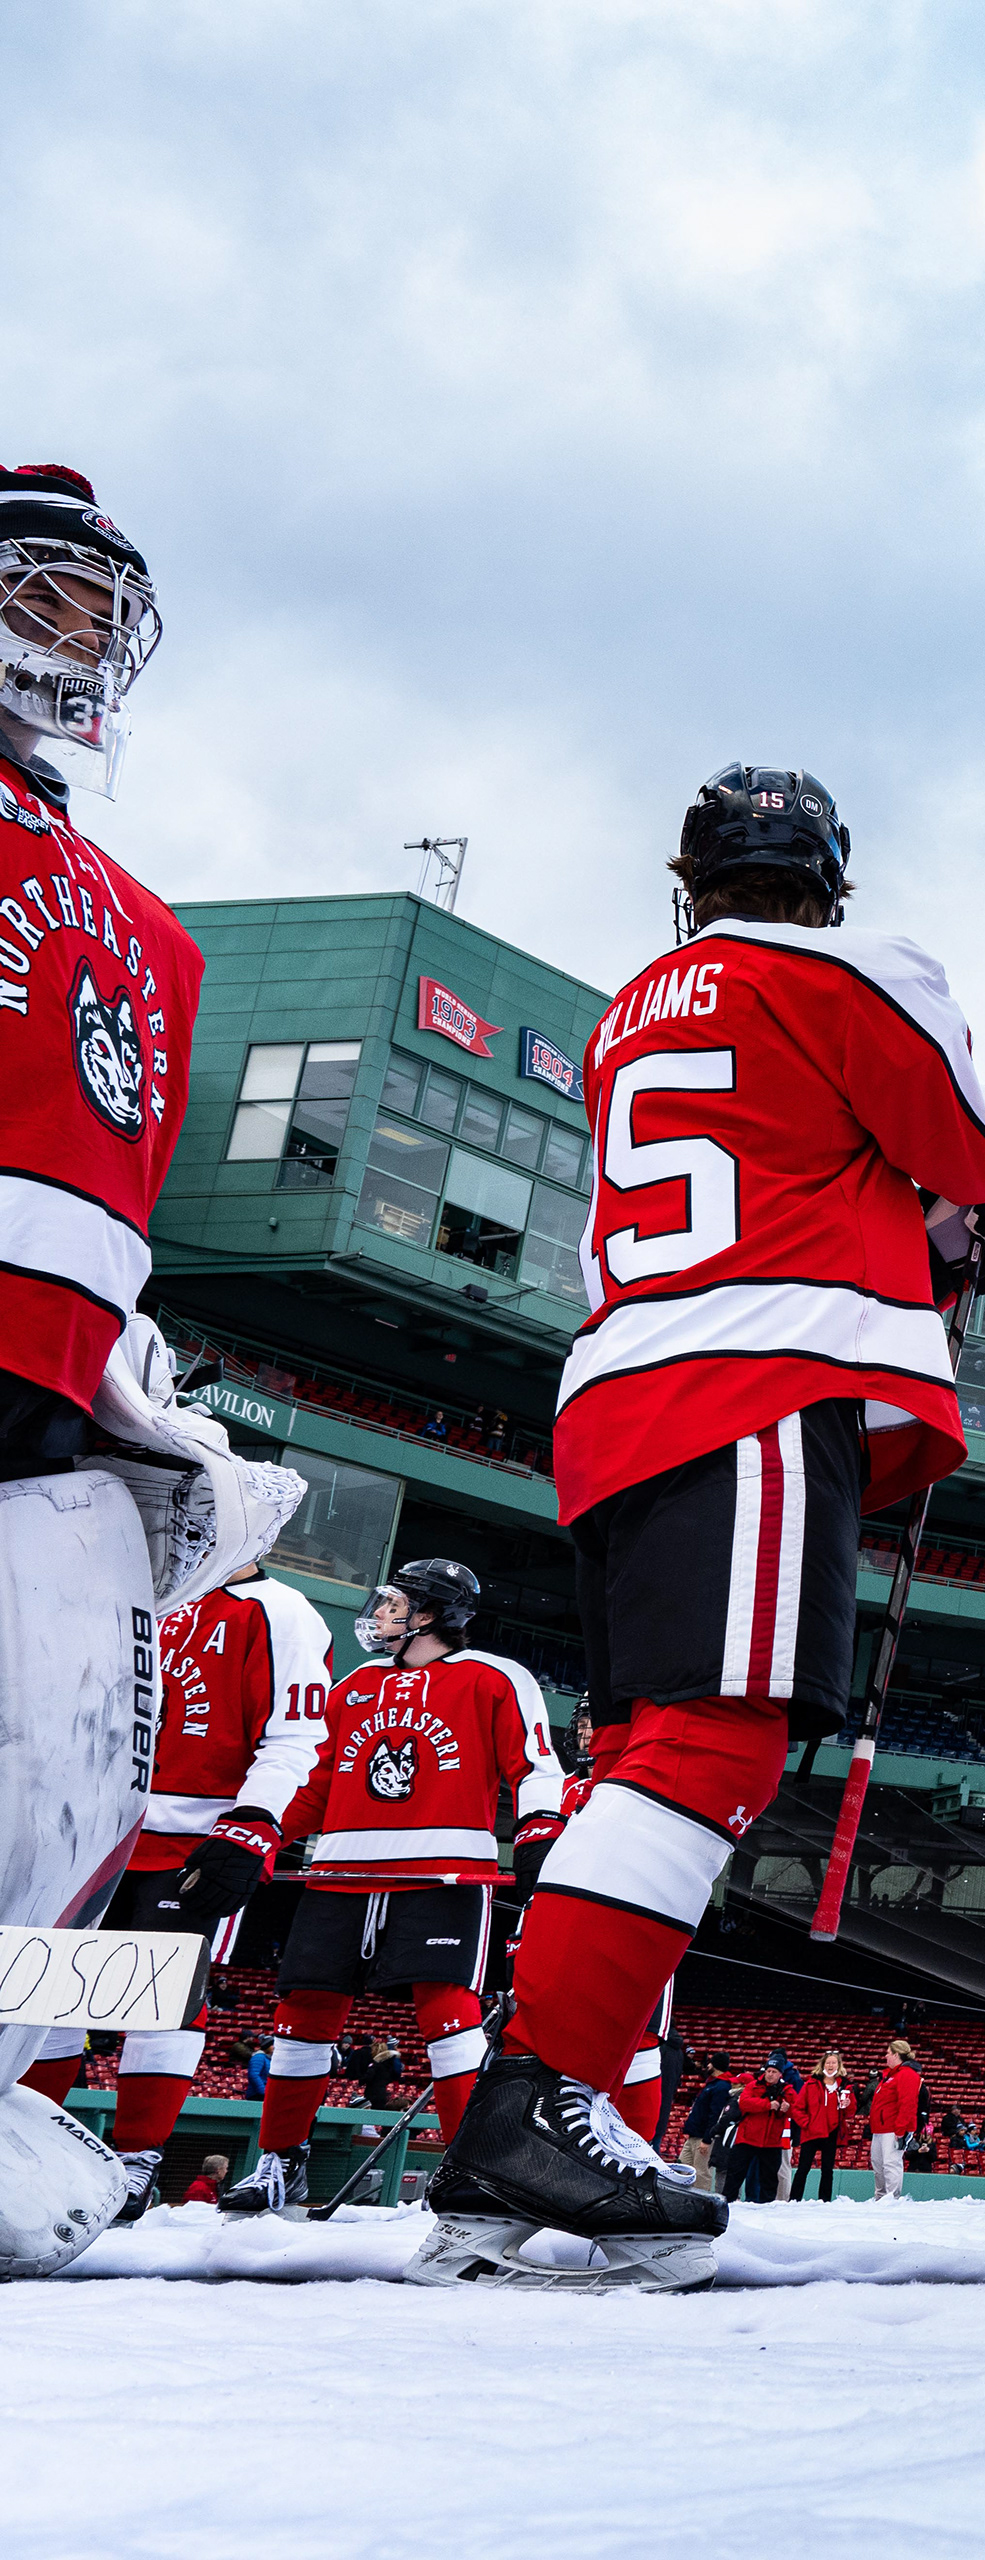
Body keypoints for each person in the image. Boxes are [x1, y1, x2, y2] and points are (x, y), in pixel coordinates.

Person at [420, 765, 985, 2291]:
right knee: (709, 1751)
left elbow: (814, 1174)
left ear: (692, 876)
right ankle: (538, 2102)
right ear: (831, 878)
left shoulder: (637, 1006)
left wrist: (942, 1241)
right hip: (756, 1384)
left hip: (626, 1392)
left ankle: (526, 2115)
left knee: (654, 1746)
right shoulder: (854, 966)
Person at [0, 464, 270, 2281]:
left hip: (52, 1371)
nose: (77, 634)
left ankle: (22, 2083)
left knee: (55, 1781)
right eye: (42, 590)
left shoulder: (150, 925)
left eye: (99, 608)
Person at [222, 1561, 564, 2219]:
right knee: (301, 2017)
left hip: (441, 1876)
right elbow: (316, 1783)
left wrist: (539, 1833)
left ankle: (470, 2168)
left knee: (448, 2016)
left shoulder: (493, 1678)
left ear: (430, 1614)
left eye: (394, 1603)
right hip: (339, 1875)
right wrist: (258, 1836)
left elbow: (534, 1764)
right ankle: (280, 2162)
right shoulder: (354, 1688)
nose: (378, 1613)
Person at [13, 1557, 327, 2223]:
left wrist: (252, 1820)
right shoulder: (146, 1596)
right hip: (99, 1828)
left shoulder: (280, 1610)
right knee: (52, 1991)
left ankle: (136, 2160)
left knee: (162, 1995)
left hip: (194, 1837)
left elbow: (297, 1735)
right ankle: (26, 2142)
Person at [722, 2061, 789, 2205]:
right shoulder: (753, 2086)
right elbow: (744, 2103)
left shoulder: (786, 2090)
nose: (770, 2074)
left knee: (769, 2177)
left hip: (771, 2140)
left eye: (774, 2072)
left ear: (780, 2074)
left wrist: (787, 2107)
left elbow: (797, 2107)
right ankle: (727, 2203)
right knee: (735, 2173)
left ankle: (767, 2206)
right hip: (748, 2137)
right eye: (768, 2071)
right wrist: (767, 2105)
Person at [789, 2052, 852, 2201]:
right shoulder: (810, 2085)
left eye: (833, 2063)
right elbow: (797, 2108)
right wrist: (807, 2123)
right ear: (822, 2065)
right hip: (811, 2132)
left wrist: (848, 2105)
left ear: (839, 2065)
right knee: (803, 2168)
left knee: (827, 2170)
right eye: (828, 2063)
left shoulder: (844, 2086)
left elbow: (849, 2112)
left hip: (831, 2132)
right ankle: (794, 2199)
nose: (831, 2066)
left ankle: (825, 2201)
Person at [870, 2040, 923, 2201]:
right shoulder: (890, 2076)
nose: (885, 2056)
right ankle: (880, 2198)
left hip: (893, 2129)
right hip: (880, 2128)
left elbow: (907, 2104)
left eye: (888, 2053)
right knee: (878, 2165)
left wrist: (900, 2130)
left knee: (891, 2164)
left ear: (896, 2054)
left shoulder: (906, 2075)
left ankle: (892, 2199)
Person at [678, 2058, 737, 2188]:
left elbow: (715, 2115)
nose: (707, 2065)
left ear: (715, 2066)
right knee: (683, 2168)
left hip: (703, 2137)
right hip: (694, 2134)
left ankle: (701, 2204)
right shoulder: (712, 2084)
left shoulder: (721, 2086)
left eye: (710, 2063)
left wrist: (707, 2138)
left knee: (701, 2173)